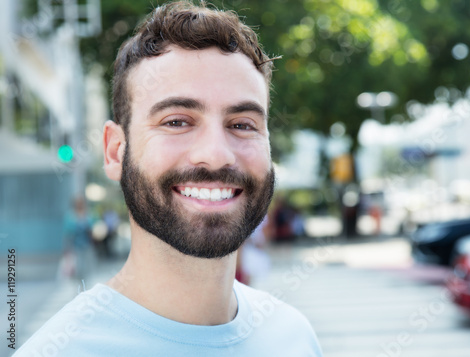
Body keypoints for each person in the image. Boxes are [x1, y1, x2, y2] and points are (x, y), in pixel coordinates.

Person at [14, 2, 323, 356]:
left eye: (242, 124)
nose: (216, 154)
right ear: (115, 151)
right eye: (177, 121)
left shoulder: (294, 336)